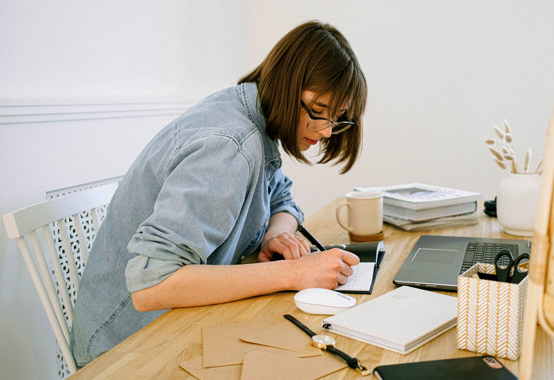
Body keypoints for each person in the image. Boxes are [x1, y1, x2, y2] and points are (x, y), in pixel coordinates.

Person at [70, 20, 367, 367]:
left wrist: (278, 236)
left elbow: (281, 197)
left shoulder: (250, 113)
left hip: (178, 322)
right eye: (318, 112)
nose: (327, 131)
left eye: (338, 119)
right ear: (288, 84)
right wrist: (294, 273)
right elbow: (151, 284)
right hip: (126, 347)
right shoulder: (230, 145)